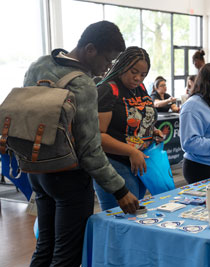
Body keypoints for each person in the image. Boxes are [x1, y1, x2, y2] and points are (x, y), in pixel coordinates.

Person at [23, 21, 139, 267]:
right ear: (90, 49)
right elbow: (90, 149)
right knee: (67, 254)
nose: (108, 68)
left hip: (36, 168)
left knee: (45, 246)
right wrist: (120, 190)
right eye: (108, 60)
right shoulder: (84, 84)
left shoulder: (40, 64)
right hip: (68, 176)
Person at [95, 46, 164, 211]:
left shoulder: (139, 89)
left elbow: (137, 118)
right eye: (134, 72)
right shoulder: (107, 89)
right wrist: (131, 151)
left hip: (140, 161)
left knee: (135, 214)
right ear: (122, 65)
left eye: (143, 75)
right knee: (122, 218)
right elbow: (97, 137)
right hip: (115, 163)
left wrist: (150, 130)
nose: (137, 78)